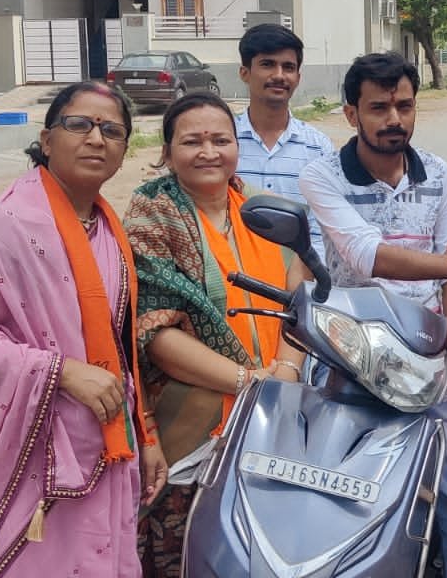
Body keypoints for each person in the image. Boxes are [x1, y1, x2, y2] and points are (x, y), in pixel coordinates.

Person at [297, 52, 447, 578]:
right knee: (341, 496)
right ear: (351, 114)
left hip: (427, 359)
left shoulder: (437, 172)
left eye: (404, 105)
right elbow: (367, 255)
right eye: (379, 108)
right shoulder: (322, 175)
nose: (394, 119)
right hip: (350, 357)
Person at [0, 82, 168, 578]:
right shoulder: (2, 228)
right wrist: (61, 371)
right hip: (29, 454)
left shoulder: (110, 232)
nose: (96, 139)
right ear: (46, 139)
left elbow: (122, 348)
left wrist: (145, 434)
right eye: (79, 125)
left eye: (112, 131)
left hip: (107, 441)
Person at [126, 92, 310, 576]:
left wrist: (286, 370)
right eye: (192, 141)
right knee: (189, 548)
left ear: (236, 147)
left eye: (220, 140)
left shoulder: (263, 211)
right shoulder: (152, 216)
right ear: (167, 152)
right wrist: (249, 382)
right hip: (193, 421)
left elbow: (300, 301)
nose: (208, 152)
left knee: (259, 547)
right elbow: (154, 332)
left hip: (273, 410)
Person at [231, 23, 334, 256]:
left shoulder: (318, 148)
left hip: (300, 273)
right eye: (267, 64)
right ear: (244, 73)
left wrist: (307, 274)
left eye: (288, 67)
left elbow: (323, 230)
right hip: (233, 270)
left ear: (298, 77)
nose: (279, 75)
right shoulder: (223, 143)